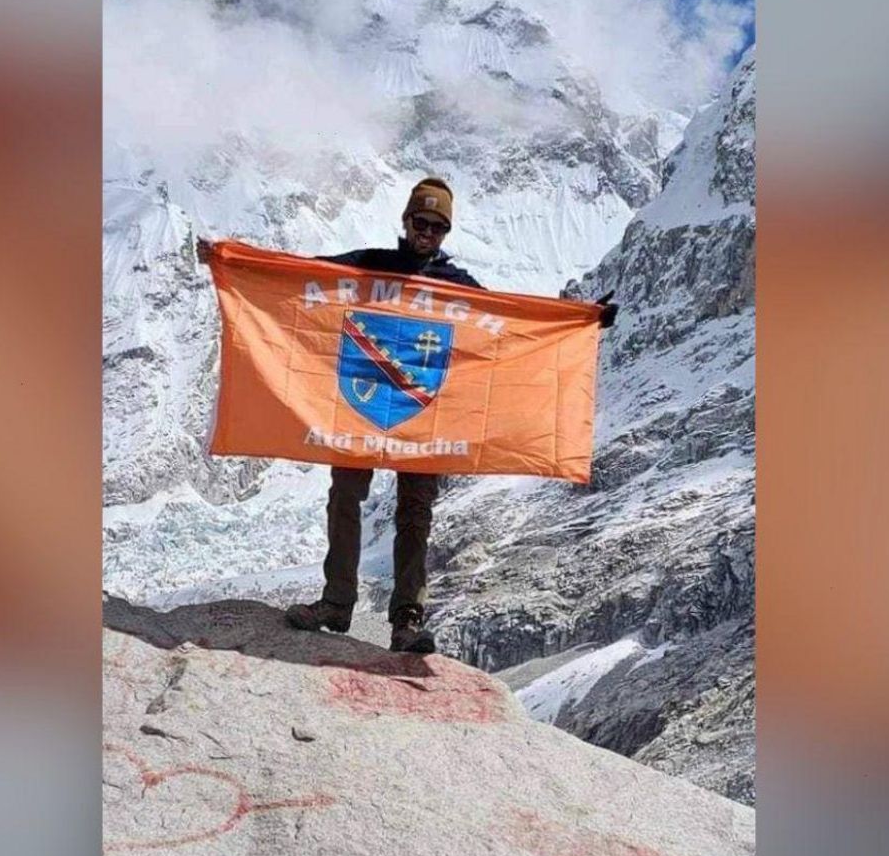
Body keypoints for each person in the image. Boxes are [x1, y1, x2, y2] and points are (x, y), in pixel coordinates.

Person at [196, 177, 616, 654]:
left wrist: (582, 321)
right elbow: (300, 275)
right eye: (422, 222)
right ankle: (336, 602)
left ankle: (407, 620)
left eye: (438, 227)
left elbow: (510, 327)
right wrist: (233, 262)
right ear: (406, 220)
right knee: (345, 497)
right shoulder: (370, 266)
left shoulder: (458, 286)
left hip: (426, 418)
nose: (428, 233)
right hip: (363, 413)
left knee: (416, 513)